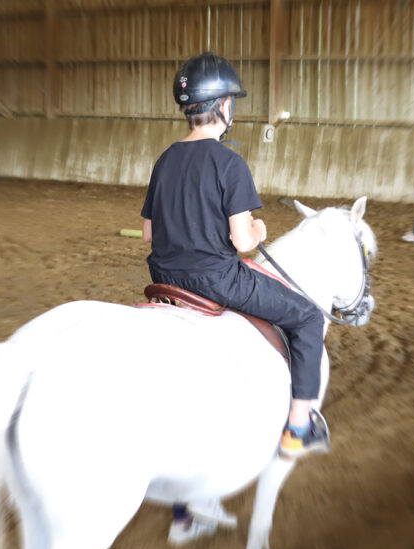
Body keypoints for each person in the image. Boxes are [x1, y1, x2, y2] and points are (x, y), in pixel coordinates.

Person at [141, 51, 329, 464]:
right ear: (225, 106)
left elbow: (148, 233)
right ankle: (298, 428)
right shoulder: (229, 162)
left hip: (163, 277)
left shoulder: (164, 159)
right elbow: (244, 242)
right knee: (309, 317)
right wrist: (259, 230)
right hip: (215, 280)